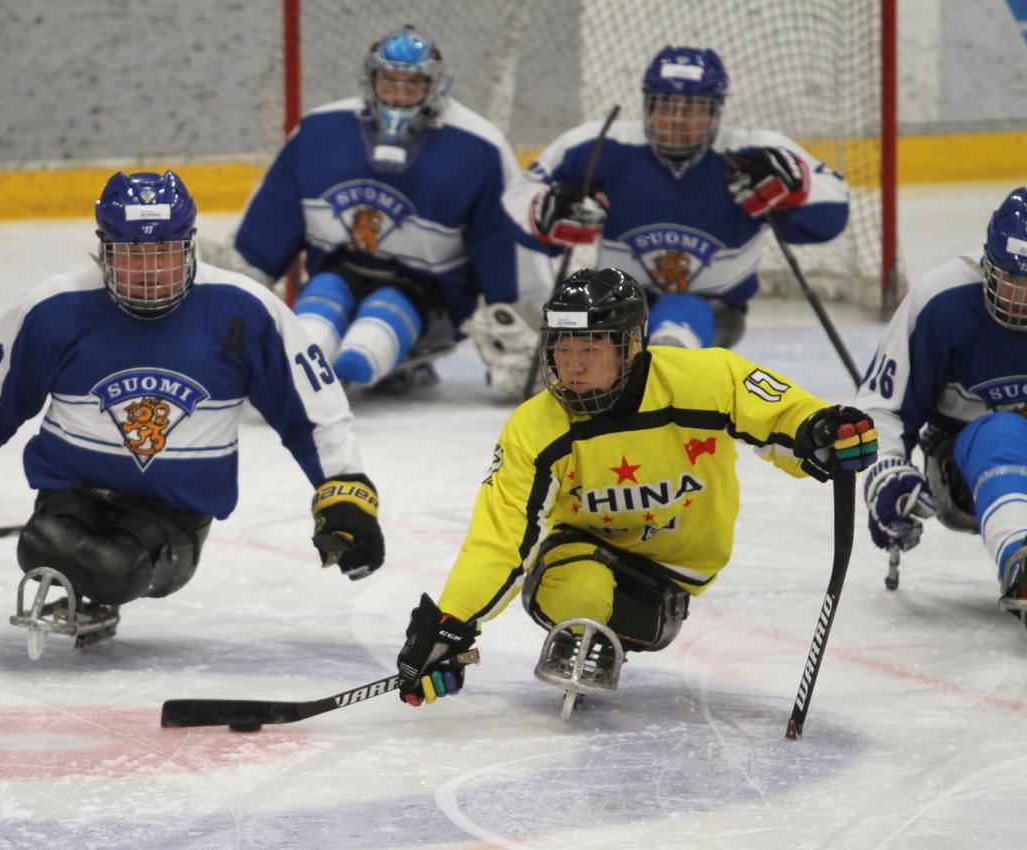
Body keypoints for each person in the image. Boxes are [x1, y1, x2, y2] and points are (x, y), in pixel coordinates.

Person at [0, 170, 385, 656]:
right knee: (43, 543)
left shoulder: (246, 310)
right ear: (103, 249)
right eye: (131, 254)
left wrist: (344, 496)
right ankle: (81, 559)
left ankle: (105, 581)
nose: (149, 272)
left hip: (173, 513)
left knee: (112, 565)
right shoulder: (53, 309)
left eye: (164, 253)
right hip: (73, 491)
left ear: (190, 245)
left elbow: (315, 412)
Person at [393, 267, 878, 710]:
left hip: (676, 569)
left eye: (590, 349)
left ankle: (629, 624)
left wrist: (820, 431)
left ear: (629, 346)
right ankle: (587, 628)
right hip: (581, 550)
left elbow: (783, 416)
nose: (572, 365)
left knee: (642, 616)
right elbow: (500, 537)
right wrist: (452, 625)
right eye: (563, 347)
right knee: (572, 588)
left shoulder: (705, 380)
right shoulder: (535, 427)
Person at [221, 24, 552, 397]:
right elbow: (270, 224)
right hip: (337, 272)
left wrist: (523, 334)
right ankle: (297, 375)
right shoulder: (319, 131)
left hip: (429, 296)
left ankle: (349, 369)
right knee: (317, 313)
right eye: (389, 83)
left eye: (412, 85)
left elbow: (502, 245)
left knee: (378, 322)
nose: (398, 95)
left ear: (434, 86)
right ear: (371, 81)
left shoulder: (478, 146)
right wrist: (232, 307)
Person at [501, 45, 850, 350]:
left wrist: (796, 184)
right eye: (665, 105)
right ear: (647, 106)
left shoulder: (749, 153)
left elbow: (834, 211)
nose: (676, 120)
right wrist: (545, 209)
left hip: (713, 311)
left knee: (672, 337)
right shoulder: (600, 145)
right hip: (615, 304)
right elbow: (517, 198)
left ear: (715, 112)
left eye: (692, 109)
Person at [856, 186, 1027, 626]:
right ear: (988, 260)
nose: (1018, 297)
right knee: (999, 431)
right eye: (1010, 278)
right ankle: (1021, 559)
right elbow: (884, 405)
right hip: (964, 463)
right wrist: (888, 470)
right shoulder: (943, 300)